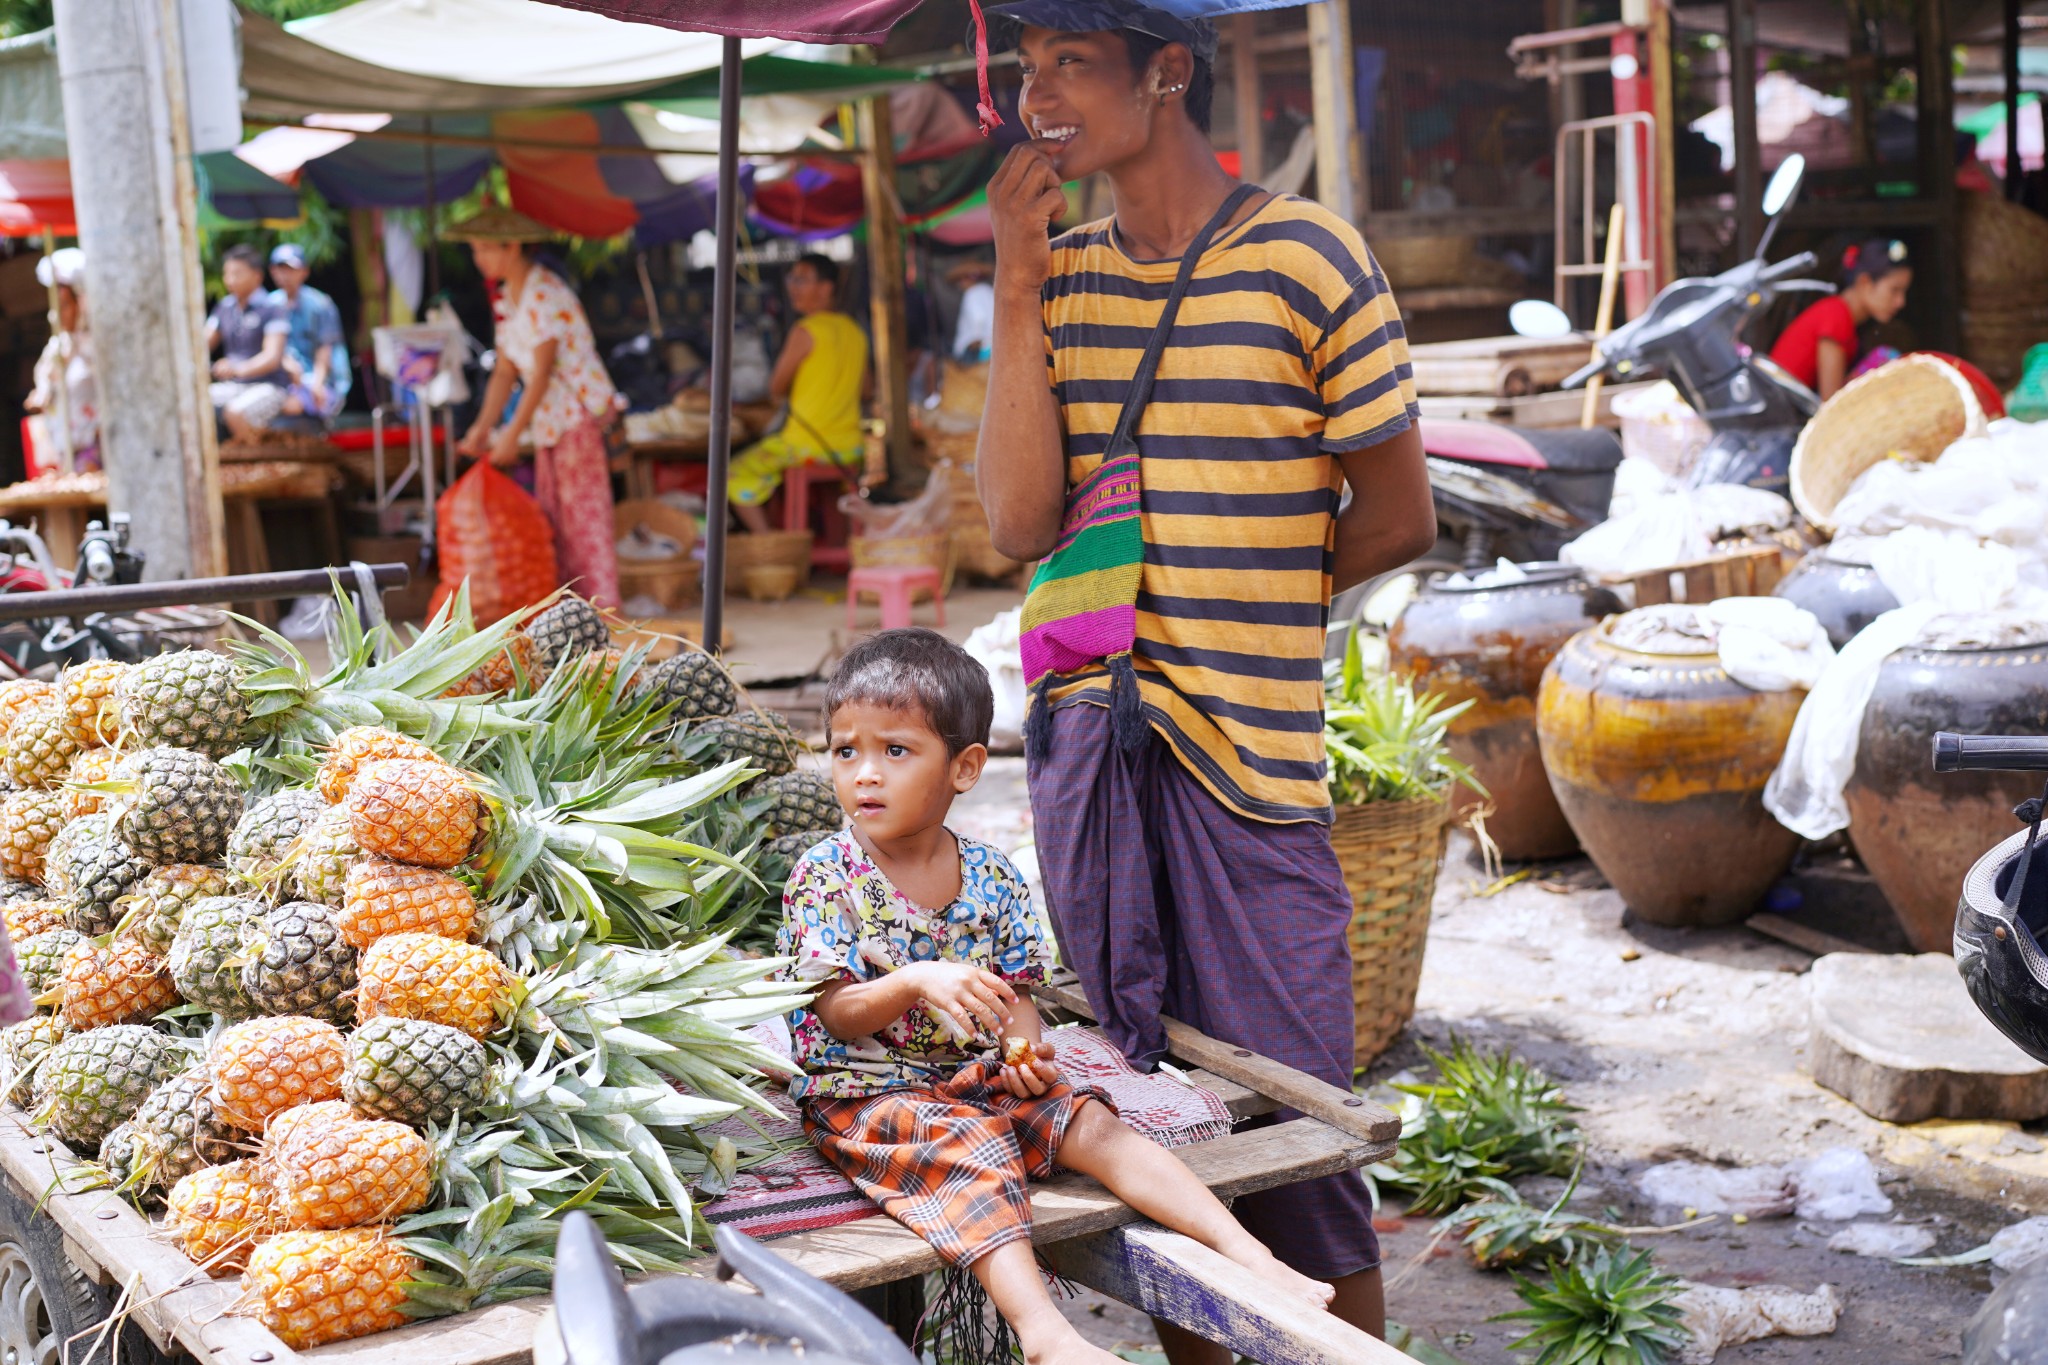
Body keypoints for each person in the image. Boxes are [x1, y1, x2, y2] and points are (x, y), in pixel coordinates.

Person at [976, 3, 1435, 1354]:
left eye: (1072, 63)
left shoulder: (1307, 257)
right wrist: (1012, 278)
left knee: (1301, 1148)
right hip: (1092, 772)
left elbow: (1400, 515)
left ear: (1165, 71)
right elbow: (1014, 521)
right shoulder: (1057, 276)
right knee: (1160, 1129)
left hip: (1251, 765)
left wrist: (1247, 598)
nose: (1037, 95)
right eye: (1030, 66)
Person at [779, 629, 1335, 1365]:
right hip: (866, 1095)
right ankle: (1045, 1334)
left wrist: (1027, 1055)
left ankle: (1249, 1254)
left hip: (968, 1081)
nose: (865, 774)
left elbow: (1016, 1002)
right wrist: (916, 979)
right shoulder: (825, 876)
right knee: (972, 1148)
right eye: (845, 750)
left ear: (967, 766)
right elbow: (836, 1011)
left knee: (1090, 1118)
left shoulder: (992, 876)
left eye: (896, 750)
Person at [449, 204, 621, 607]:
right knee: (557, 523)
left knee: (584, 521)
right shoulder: (509, 298)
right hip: (550, 422)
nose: (479, 260)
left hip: (578, 415)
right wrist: (481, 427)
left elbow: (541, 374)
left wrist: (509, 435)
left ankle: (605, 613)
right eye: (475, 250)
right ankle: (572, 614)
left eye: (486, 250)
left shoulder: (546, 292)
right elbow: (506, 372)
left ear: (512, 248)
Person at [729, 254, 871, 534]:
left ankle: (769, 542)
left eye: (802, 279)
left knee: (731, 473)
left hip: (805, 446)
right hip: (851, 448)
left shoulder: (806, 331)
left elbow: (775, 388)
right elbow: (868, 389)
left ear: (826, 287)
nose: (793, 287)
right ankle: (834, 545)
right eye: (791, 279)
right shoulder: (855, 332)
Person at [1768, 237, 1912, 400]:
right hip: (1781, 413)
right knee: (1886, 356)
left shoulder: (1840, 314)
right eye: (1894, 290)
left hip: (1788, 410)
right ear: (1865, 282)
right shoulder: (1836, 316)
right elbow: (1830, 401)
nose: (1901, 302)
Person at [205, 243, 291, 440]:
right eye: (227, 273)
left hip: (268, 386)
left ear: (257, 275)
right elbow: (203, 342)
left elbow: (271, 357)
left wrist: (236, 368)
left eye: (237, 273)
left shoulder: (272, 308)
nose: (230, 280)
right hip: (233, 386)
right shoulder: (225, 307)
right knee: (195, 402)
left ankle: (250, 464)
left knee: (236, 412)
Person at [24, 247, 97, 473]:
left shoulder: (95, 346)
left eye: (64, 305)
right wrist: (42, 393)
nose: (57, 314)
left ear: (80, 303)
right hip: (64, 455)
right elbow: (44, 379)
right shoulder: (57, 346)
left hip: (96, 454)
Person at [268, 243, 351, 423]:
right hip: (283, 380)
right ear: (272, 271)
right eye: (280, 269)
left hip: (318, 380)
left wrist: (317, 383)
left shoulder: (320, 304)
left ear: (304, 272)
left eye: (290, 269)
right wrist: (284, 363)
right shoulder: (269, 304)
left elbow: (325, 348)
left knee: (295, 404)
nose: (285, 275)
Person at [950, 257, 997, 362]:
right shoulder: (989, 291)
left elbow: (978, 319)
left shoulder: (972, 294)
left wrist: (978, 343)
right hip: (993, 346)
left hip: (976, 350)